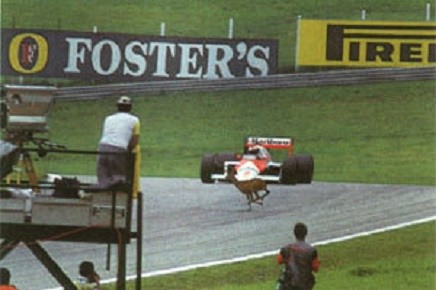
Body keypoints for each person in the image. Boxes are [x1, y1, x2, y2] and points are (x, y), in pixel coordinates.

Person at [97, 95, 141, 196]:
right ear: (130, 108)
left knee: (103, 176)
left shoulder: (108, 118)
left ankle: (103, 199)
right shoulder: (135, 120)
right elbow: (135, 140)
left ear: (117, 107)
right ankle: (117, 201)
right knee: (119, 176)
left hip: (102, 147)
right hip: (119, 148)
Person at [276, 222, 319, 290]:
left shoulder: (287, 248)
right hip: (305, 284)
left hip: (288, 283)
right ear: (306, 234)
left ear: (294, 233)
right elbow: (316, 268)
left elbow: (279, 261)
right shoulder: (311, 250)